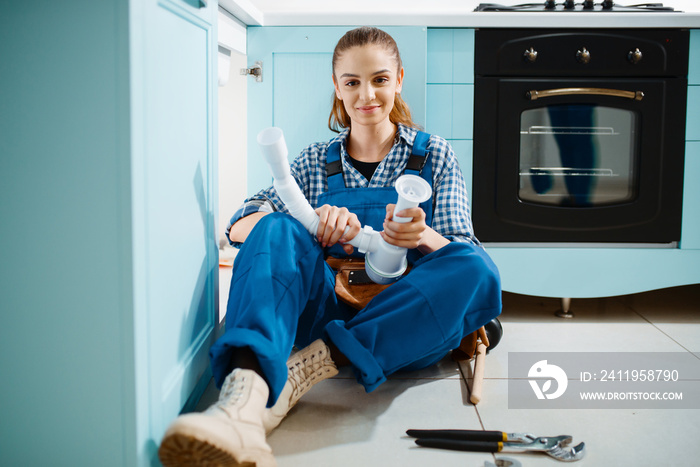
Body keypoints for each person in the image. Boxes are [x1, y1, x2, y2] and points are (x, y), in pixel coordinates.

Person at [158, 26, 502, 467]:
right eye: (352, 82)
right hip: (327, 308)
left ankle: (307, 371)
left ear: (398, 80)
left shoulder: (435, 155)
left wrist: (420, 234)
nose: (367, 95)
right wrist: (312, 221)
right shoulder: (311, 161)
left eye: (379, 79)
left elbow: (462, 249)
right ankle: (241, 405)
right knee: (276, 228)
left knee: (478, 269)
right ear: (337, 88)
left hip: (406, 321)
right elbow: (240, 225)